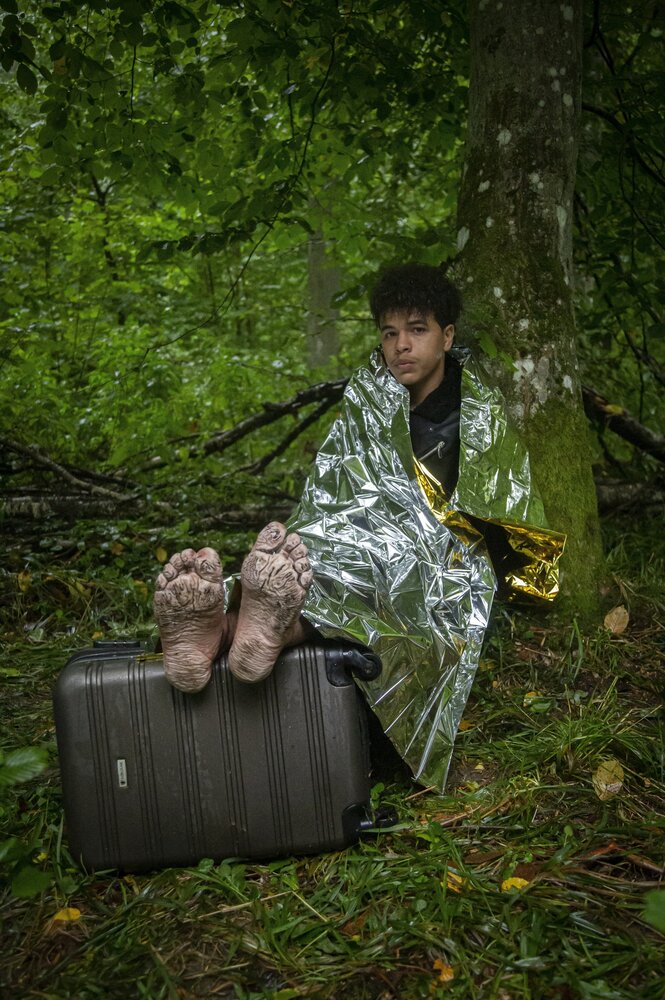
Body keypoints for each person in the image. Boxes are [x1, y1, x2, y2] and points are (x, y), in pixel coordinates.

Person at [154, 264, 564, 788]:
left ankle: (246, 632)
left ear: (448, 336)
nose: (401, 347)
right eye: (390, 333)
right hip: (358, 539)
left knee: (378, 570)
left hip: (440, 559)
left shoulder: (477, 413)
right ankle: (227, 623)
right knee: (316, 559)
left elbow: (502, 510)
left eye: (417, 330)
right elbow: (333, 494)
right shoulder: (367, 399)